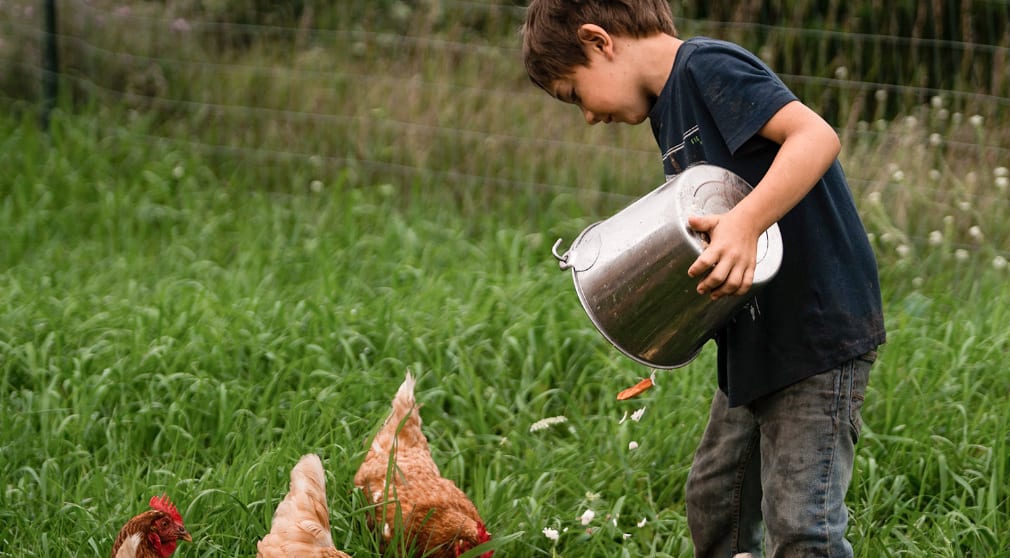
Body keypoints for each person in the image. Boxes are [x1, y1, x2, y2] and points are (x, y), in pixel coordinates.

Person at [522, 1, 887, 556]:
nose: (589, 116)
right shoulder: (667, 108)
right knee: (717, 497)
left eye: (575, 94)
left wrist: (744, 223)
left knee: (802, 526)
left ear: (599, 42)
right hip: (754, 341)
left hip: (814, 334)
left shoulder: (706, 68)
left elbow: (815, 137)